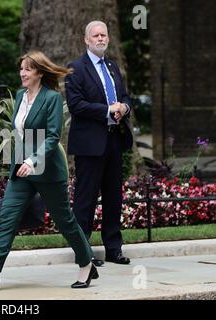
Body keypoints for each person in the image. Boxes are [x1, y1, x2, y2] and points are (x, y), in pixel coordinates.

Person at [0, 50, 98, 291]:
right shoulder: (19, 96)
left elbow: (53, 135)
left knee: (65, 221)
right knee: (7, 216)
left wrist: (33, 160)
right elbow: (21, 133)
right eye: (21, 69)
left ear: (39, 72)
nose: (22, 73)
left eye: (27, 69)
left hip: (46, 169)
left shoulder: (52, 98)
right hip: (21, 170)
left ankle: (86, 262)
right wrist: (20, 160)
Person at [65, 21, 133, 266]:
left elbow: (124, 96)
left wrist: (123, 107)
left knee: (114, 198)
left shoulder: (113, 66)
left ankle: (114, 249)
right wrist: (107, 110)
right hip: (89, 145)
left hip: (114, 141)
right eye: (96, 35)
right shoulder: (76, 69)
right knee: (86, 199)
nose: (101, 38)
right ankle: (84, 252)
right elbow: (76, 105)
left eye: (104, 34)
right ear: (86, 40)